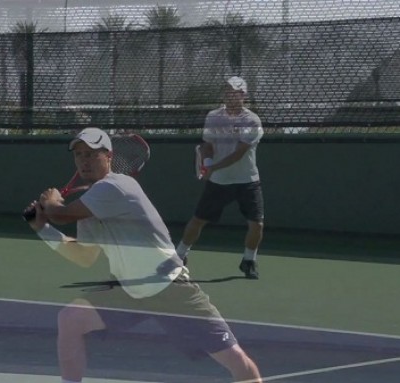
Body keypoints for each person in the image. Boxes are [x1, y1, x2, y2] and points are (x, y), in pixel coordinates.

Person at [24, 127, 263, 383]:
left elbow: (61, 213)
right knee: (71, 319)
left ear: (109, 157)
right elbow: (84, 256)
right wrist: (43, 228)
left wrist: (51, 203)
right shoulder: (89, 205)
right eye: (79, 155)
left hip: (171, 288)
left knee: (237, 362)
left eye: (92, 154)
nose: (84, 160)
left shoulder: (118, 185)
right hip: (131, 291)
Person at [176, 76, 265, 279]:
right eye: (227, 91)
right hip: (219, 181)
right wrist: (207, 162)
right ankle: (179, 255)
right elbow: (208, 144)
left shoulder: (251, 121)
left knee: (257, 224)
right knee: (198, 220)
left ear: (243, 95)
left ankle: (249, 260)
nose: (230, 94)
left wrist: (213, 167)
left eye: (235, 91)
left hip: (248, 181)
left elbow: (239, 154)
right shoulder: (213, 117)